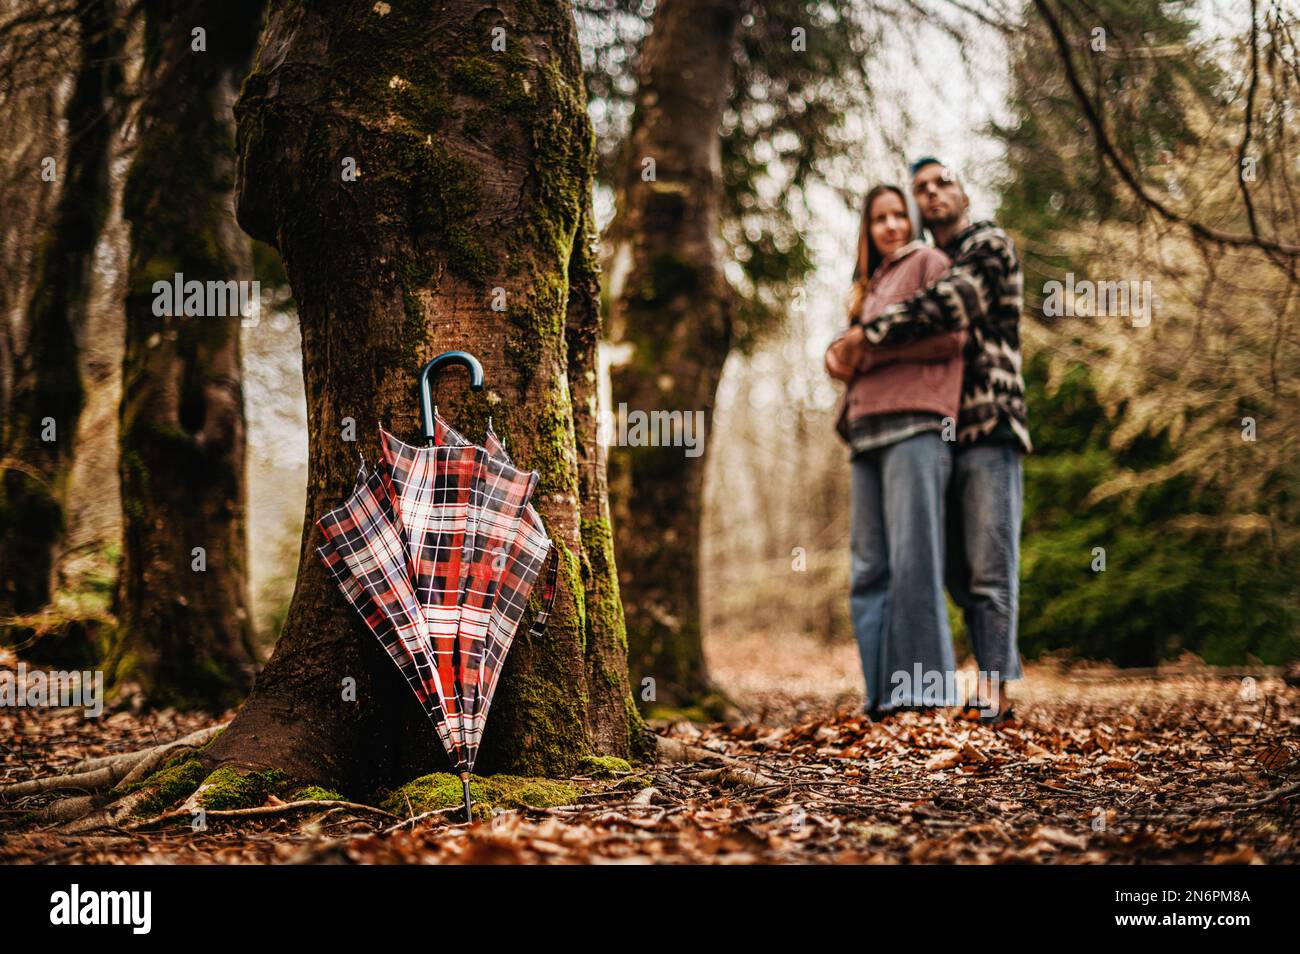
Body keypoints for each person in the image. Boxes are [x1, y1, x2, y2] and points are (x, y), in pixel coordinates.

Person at [855, 157, 1031, 724]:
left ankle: (997, 694)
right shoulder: (928, 261)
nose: (932, 194)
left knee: (989, 566)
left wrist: (863, 337)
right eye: (921, 188)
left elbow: (947, 306)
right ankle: (973, 677)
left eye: (942, 183)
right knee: (950, 568)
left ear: (964, 193)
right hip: (945, 430)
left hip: (989, 426)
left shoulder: (987, 246)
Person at [825, 184, 967, 720]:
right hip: (865, 431)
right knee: (869, 568)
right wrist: (844, 352)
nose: (891, 227)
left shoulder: (930, 262)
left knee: (915, 561)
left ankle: (925, 692)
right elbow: (843, 356)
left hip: (917, 425)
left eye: (898, 216)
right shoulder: (868, 284)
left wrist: (870, 349)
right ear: (868, 228)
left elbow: (950, 338)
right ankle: (881, 696)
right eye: (879, 219)